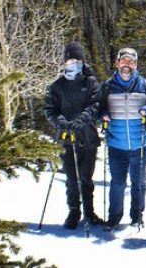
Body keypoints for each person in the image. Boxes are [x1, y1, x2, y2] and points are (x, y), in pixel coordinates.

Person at [100, 47, 146, 231]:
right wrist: (103, 114)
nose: (127, 64)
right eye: (124, 60)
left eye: (131, 61)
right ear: (117, 63)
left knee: (139, 183)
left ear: (135, 65)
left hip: (140, 144)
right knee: (117, 183)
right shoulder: (107, 86)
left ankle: (136, 217)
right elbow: (97, 108)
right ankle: (114, 218)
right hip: (116, 144)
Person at [45, 41, 103, 229]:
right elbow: (50, 110)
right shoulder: (57, 86)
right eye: (70, 61)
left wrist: (83, 118)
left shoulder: (90, 82)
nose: (73, 64)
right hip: (66, 138)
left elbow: (96, 105)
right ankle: (73, 212)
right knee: (71, 178)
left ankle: (89, 212)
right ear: (64, 63)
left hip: (87, 137)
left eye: (77, 60)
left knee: (86, 178)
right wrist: (60, 122)